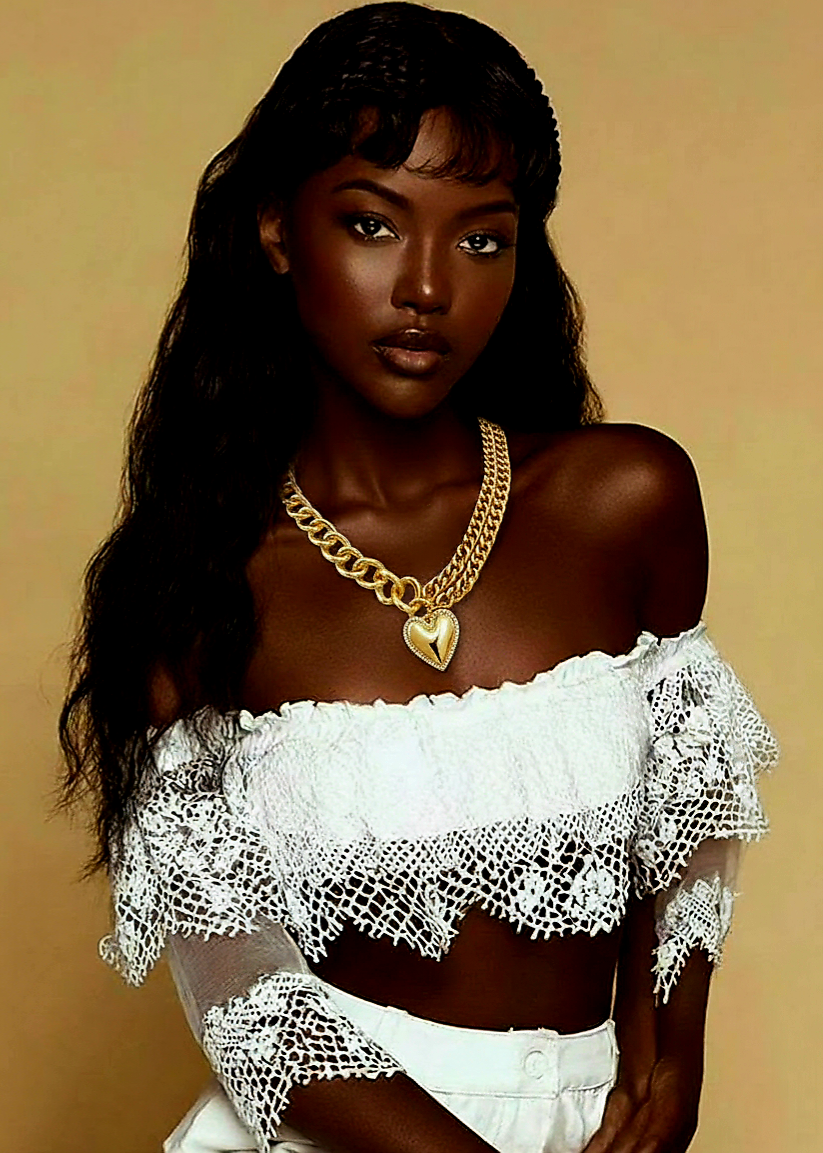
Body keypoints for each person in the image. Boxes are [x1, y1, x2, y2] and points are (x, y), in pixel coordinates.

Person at [59, 4, 778, 1152]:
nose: (429, 288)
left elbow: (684, 817)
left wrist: (665, 1058)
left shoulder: (622, 501)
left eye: (482, 240)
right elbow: (247, 1003)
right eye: (372, 224)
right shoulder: (192, 581)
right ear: (275, 227)